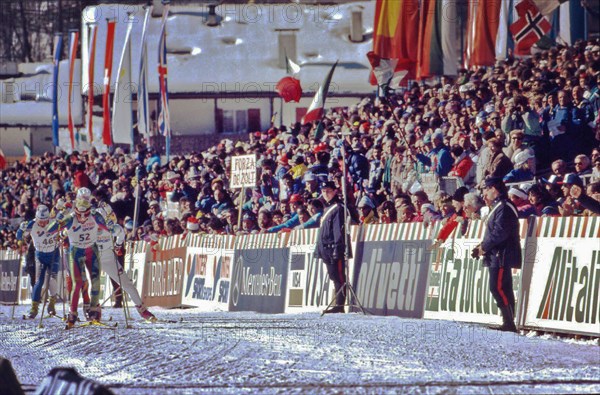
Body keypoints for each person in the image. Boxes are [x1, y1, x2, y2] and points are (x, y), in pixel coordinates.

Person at [48, 198, 108, 328]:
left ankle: (94, 309)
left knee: (96, 280)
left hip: (92, 251)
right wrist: (61, 215)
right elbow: (50, 230)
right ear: (75, 211)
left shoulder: (95, 216)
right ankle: (72, 313)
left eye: (85, 214)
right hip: (75, 252)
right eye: (79, 214)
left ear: (89, 211)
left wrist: (110, 223)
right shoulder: (70, 218)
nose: (82, 218)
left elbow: (108, 227)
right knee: (78, 283)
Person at [472, 178, 521, 333]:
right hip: (497, 253)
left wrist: (484, 247)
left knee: (497, 287)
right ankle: (508, 321)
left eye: (485, 190)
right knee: (503, 288)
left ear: (493, 188)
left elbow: (500, 232)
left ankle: (509, 322)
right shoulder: (499, 206)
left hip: (501, 254)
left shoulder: (504, 207)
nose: (484, 195)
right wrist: (481, 246)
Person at [96, 203, 157, 322]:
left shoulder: (113, 227)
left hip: (108, 258)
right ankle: (92, 310)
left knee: (127, 283)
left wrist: (118, 246)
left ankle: (142, 309)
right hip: (94, 258)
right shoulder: (92, 225)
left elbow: (121, 233)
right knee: (90, 284)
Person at [16, 205, 60, 319]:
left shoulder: (54, 222)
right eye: (40, 221)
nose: (43, 224)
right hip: (40, 255)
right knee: (38, 282)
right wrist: (21, 229)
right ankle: (34, 308)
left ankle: (51, 304)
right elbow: (19, 236)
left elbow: (65, 230)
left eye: (45, 221)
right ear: (37, 218)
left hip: (53, 254)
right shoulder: (31, 224)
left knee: (52, 279)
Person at [315, 181, 347, 314]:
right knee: (333, 277)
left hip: (333, 247)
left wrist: (337, 248)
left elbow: (337, 231)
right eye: (323, 191)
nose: (326, 194)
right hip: (325, 249)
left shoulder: (338, 208)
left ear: (334, 191)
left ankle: (340, 305)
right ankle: (337, 303)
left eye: (328, 191)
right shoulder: (326, 208)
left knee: (339, 277)